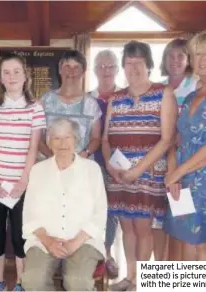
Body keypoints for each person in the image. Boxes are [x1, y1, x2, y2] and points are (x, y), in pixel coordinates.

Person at [102, 41, 177, 291]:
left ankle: (143, 281)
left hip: (149, 173)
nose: (133, 67)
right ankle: (130, 277)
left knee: (143, 227)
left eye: (139, 62)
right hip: (119, 174)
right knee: (126, 226)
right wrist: (112, 169)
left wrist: (138, 170)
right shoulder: (116, 98)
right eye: (128, 62)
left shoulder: (163, 93)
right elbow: (105, 139)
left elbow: (167, 139)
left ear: (149, 65)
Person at [0, 53, 46, 291]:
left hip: (23, 186)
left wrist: (23, 181)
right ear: (0, 78)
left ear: (25, 76)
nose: (12, 77)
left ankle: (20, 282)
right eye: (6, 72)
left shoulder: (35, 109)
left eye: (16, 71)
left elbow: (33, 148)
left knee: (21, 237)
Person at [21, 118, 106, 291]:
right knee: (32, 281)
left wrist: (75, 242)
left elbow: (100, 212)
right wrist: (48, 241)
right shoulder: (38, 170)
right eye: (56, 138)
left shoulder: (92, 169)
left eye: (67, 137)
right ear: (49, 142)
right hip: (45, 239)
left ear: (76, 139)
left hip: (83, 240)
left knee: (77, 282)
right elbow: (29, 212)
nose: (62, 144)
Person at [163, 28, 206, 261]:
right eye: (198, 54)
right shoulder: (190, 97)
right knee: (184, 242)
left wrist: (177, 172)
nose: (205, 59)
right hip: (183, 181)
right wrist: (173, 173)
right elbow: (176, 139)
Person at [156, 38, 198, 261]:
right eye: (170, 55)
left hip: (186, 164)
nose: (175, 60)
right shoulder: (158, 88)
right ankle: (161, 276)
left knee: (183, 228)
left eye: (180, 55)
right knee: (159, 226)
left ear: (188, 59)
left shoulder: (196, 87)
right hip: (158, 163)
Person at [88, 49, 121, 278]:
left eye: (110, 66)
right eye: (101, 66)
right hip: (91, 163)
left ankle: (107, 254)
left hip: (120, 165)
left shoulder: (126, 96)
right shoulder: (88, 99)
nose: (106, 71)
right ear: (95, 70)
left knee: (113, 213)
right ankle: (93, 253)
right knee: (93, 211)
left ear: (117, 69)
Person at [39, 50, 101, 161]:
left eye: (76, 67)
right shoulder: (45, 100)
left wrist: (84, 154)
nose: (71, 71)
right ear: (59, 70)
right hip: (50, 166)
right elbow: (38, 138)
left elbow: (96, 138)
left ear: (83, 72)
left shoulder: (91, 104)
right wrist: (52, 158)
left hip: (80, 167)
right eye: (67, 66)